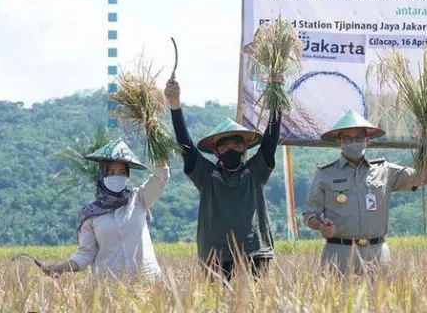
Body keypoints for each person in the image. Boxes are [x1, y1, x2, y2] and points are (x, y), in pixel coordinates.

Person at [164, 78, 282, 282]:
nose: (231, 148)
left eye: (236, 143)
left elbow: (270, 142)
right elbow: (186, 147)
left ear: (245, 147)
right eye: (224, 145)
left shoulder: (256, 171)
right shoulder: (206, 175)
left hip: (255, 254)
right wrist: (175, 106)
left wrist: (276, 98)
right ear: (216, 151)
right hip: (215, 256)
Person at [302, 110, 427, 275]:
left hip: (376, 252)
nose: (353, 142)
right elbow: (308, 214)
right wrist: (320, 226)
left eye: (358, 138)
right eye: (348, 138)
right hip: (339, 252)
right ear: (339, 141)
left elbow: (422, 178)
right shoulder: (325, 174)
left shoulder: (384, 170)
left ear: (367, 140)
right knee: (337, 300)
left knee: (380, 300)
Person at [41, 139, 169, 281]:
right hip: (110, 286)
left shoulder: (139, 198)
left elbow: (160, 179)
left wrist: (160, 156)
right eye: (112, 172)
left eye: (121, 172)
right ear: (102, 175)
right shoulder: (91, 214)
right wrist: (61, 267)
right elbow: (85, 254)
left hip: (146, 281)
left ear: (127, 176)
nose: (117, 177)